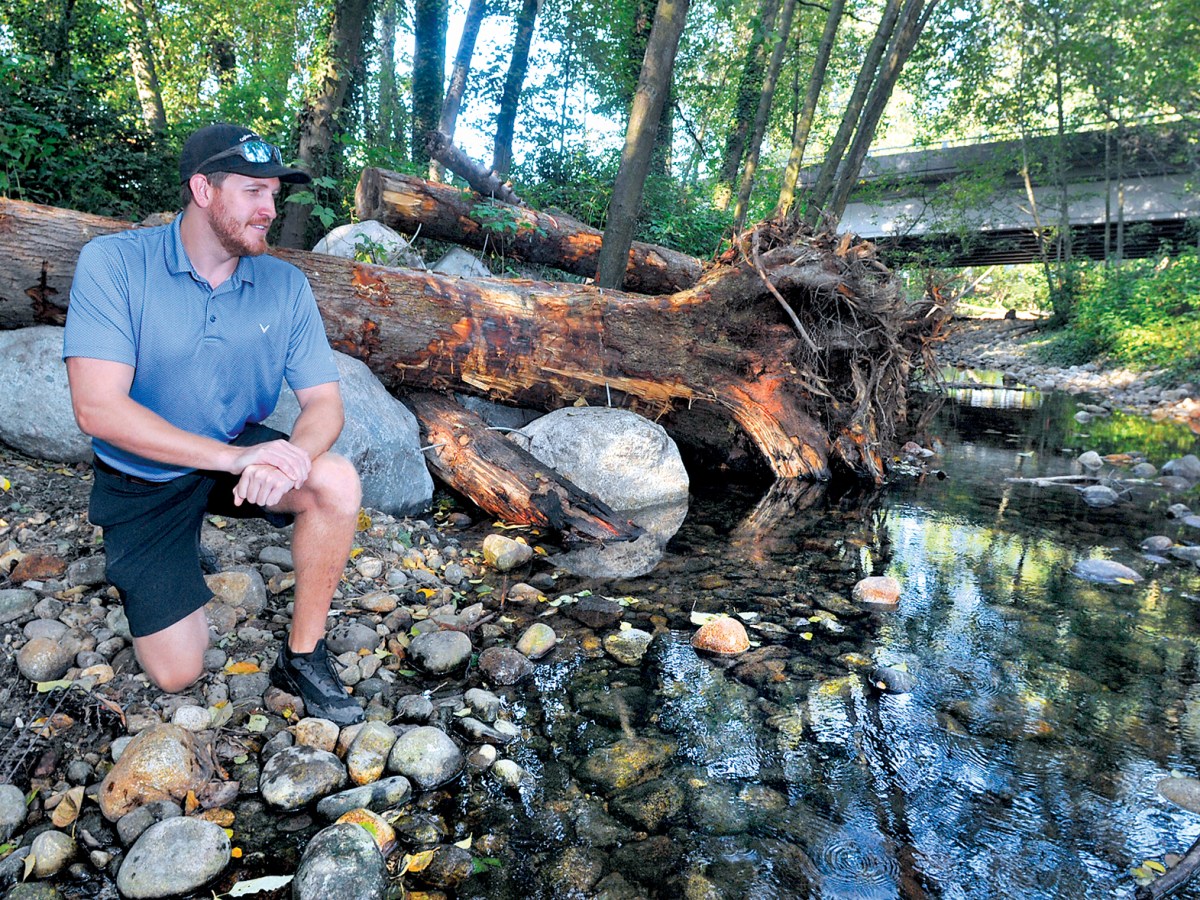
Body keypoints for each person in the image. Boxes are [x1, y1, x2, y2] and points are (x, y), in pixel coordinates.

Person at [62, 123, 364, 726]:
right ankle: (173, 559)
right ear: (203, 189)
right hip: (143, 477)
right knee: (178, 673)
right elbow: (97, 409)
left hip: (233, 447)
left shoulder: (285, 284)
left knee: (335, 482)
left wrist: (289, 458)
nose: (270, 209)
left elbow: (325, 405)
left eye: (274, 195)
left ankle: (302, 656)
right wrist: (234, 462)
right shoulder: (115, 265)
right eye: (254, 192)